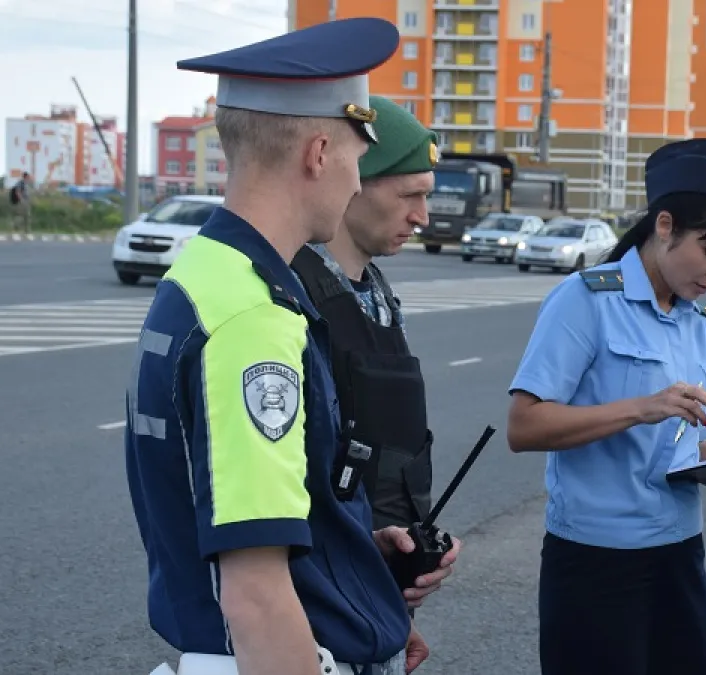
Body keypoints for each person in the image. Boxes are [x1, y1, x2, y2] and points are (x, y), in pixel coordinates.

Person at [124, 19, 458, 675]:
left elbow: (237, 509)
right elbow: (256, 593)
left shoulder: (207, 275)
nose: (356, 182)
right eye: (357, 159)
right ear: (318, 152)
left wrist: (353, 567)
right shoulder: (253, 317)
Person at [505, 138, 706, 675]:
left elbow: (681, 452)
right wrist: (639, 408)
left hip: (679, 553)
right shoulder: (586, 301)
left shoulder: (702, 327)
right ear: (666, 226)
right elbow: (524, 426)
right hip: (597, 561)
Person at [290, 95, 439, 535]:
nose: (422, 217)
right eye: (409, 195)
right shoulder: (293, 291)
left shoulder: (377, 291)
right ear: (353, 179)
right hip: (328, 560)